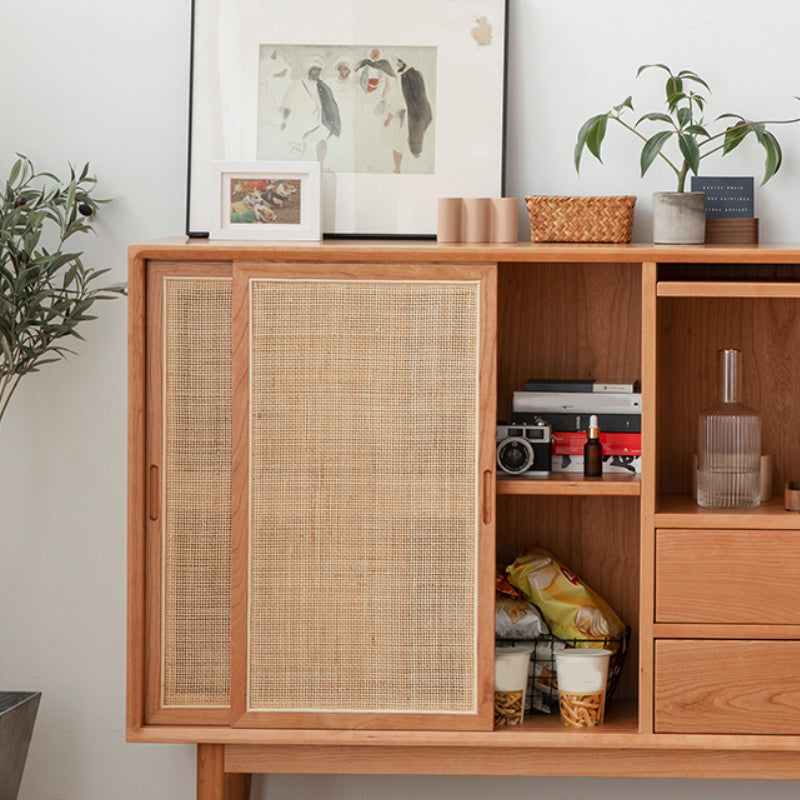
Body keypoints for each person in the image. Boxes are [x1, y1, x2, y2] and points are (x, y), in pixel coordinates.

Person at [282, 56, 341, 165]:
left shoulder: (323, 87)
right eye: (314, 69)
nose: (317, 72)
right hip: (301, 121)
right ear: (309, 70)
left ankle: (319, 166)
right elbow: (287, 103)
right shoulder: (298, 84)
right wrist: (284, 119)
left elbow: (330, 105)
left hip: (319, 120)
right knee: (299, 149)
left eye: (319, 70)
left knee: (320, 141)